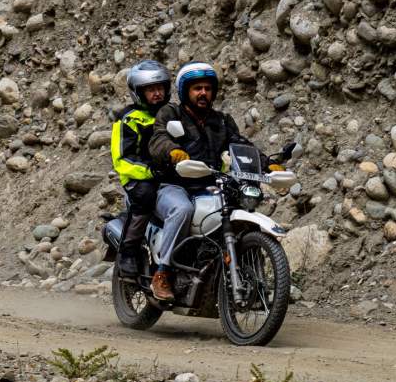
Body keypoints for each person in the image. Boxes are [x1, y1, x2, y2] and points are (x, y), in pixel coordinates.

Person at [145, 62, 282, 301]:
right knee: (182, 209)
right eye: (197, 88)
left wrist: (267, 164)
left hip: (209, 185)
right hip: (173, 185)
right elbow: (158, 139)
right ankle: (163, 272)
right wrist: (172, 152)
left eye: (208, 88)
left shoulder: (222, 120)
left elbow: (241, 146)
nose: (203, 93)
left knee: (235, 210)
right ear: (185, 91)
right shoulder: (171, 113)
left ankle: (242, 277)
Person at [111, 60, 171, 276]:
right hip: (138, 177)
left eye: (160, 88)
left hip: (169, 173)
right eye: (150, 89)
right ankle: (128, 250)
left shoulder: (172, 114)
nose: (157, 93)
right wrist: (149, 171)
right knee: (145, 196)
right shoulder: (128, 120)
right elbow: (122, 160)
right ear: (138, 92)